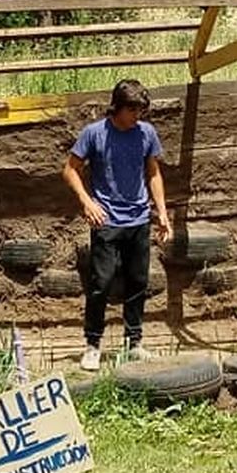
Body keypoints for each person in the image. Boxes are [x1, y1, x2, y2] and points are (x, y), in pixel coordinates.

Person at [61, 79, 171, 371]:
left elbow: (154, 174)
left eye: (141, 110)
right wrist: (87, 202)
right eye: (133, 110)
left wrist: (162, 212)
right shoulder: (94, 134)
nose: (138, 116)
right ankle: (93, 345)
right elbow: (70, 170)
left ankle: (133, 343)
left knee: (138, 282)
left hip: (138, 219)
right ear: (118, 108)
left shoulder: (146, 133)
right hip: (107, 219)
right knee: (101, 283)